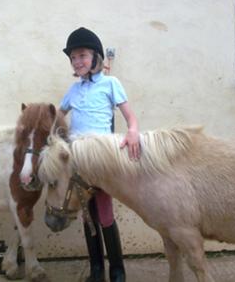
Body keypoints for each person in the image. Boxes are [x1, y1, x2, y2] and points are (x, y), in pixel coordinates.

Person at [59, 27, 141, 282]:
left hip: (102, 161)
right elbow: (58, 117)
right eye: (73, 57)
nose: (77, 61)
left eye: (82, 55)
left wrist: (133, 132)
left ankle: (117, 269)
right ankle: (96, 269)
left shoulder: (110, 83)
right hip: (79, 162)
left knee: (104, 214)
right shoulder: (73, 90)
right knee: (87, 215)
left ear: (96, 57)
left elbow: (130, 118)